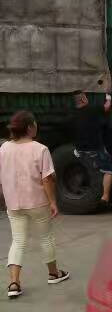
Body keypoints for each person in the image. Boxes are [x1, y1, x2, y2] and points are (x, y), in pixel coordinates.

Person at [0, 110, 69, 299]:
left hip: (14, 203)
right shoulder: (40, 149)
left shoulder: (4, 148)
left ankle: (14, 283)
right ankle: (54, 274)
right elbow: (47, 179)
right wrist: (53, 202)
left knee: (18, 240)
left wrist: (4, 196)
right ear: (30, 127)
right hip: (37, 202)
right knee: (45, 238)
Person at [72, 92, 112, 208]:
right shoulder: (93, 110)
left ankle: (84, 189)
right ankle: (105, 197)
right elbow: (107, 107)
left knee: (88, 170)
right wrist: (108, 96)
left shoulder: (73, 114)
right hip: (95, 148)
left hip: (80, 150)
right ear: (84, 99)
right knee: (108, 170)